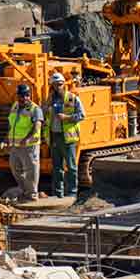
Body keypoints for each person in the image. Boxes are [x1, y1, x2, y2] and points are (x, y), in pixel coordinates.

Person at [45, 70, 85, 198]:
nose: (58, 87)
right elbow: (44, 115)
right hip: (54, 136)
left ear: (64, 84)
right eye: (55, 85)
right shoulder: (50, 100)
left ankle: (72, 193)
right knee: (57, 168)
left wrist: (67, 118)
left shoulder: (73, 98)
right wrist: (46, 107)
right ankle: (58, 194)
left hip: (67, 138)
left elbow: (82, 115)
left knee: (71, 167)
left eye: (60, 84)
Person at [8, 81, 42, 200]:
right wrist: (7, 137)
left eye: (25, 96)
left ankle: (32, 193)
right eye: (20, 96)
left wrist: (27, 139)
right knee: (15, 168)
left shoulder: (35, 109)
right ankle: (24, 189)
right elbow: (11, 124)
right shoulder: (15, 106)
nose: (23, 98)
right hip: (15, 145)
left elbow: (37, 126)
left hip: (29, 145)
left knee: (31, 170)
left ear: (29, 96)